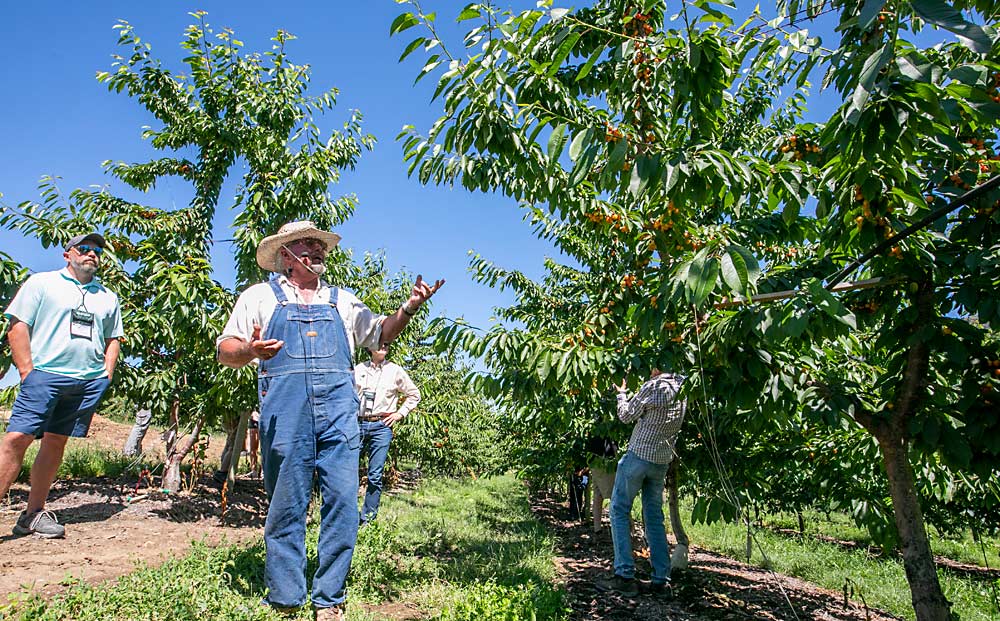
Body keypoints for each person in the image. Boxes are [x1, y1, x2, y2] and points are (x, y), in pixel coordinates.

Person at [217, 220, 442, 621]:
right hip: (286, 414)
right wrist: (250, 350)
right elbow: (226, 350)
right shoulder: (260, 297)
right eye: (307, 244)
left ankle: (329, 597)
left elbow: (380, 334)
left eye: (320, 244)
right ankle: (286, 595)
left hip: (339, 413)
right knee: (287, 504)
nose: (317, 249)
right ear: (285, 254)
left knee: (341, 501)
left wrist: (409, 307)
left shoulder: (344, 302)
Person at [0, 233, 122, 538]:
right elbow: (18, 325)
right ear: (67, 254)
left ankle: (32, 515)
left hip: (85, 381)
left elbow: (113, 338)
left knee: (55, 443)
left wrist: (105, 374)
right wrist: (27, 371)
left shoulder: (106, 296)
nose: (92, 254)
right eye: (84, 248)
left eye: (97, 251)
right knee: (16, 439)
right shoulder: (42, 283)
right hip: (44, 375)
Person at [596, 368, 685, 597]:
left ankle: (625, 576)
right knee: (654, 517)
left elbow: (625, 416)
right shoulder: (684, 388)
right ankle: (661, 581)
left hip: (638, 458)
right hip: (661, 462)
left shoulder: (653, 386)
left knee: (618, 509)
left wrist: (622, 393)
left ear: (657, 367)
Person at [354, 342, 420, 525]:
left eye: (386, 344)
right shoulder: (358, 369)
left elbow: (414, 394)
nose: (383, 346)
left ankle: (368, 519)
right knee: (349, 472)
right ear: (369, 347)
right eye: (379, 343)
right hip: (358, 423)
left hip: (381, 426)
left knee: (374, 475)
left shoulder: (395, 371)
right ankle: (348, 516)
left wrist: (400, 413)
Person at [587, 433, 618, 534]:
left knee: (598, 494)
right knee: (614, 495)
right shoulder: (605, 421)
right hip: (604, 461)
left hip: (594, 459)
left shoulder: (593, 422)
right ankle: (621, 528)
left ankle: (597, 529)